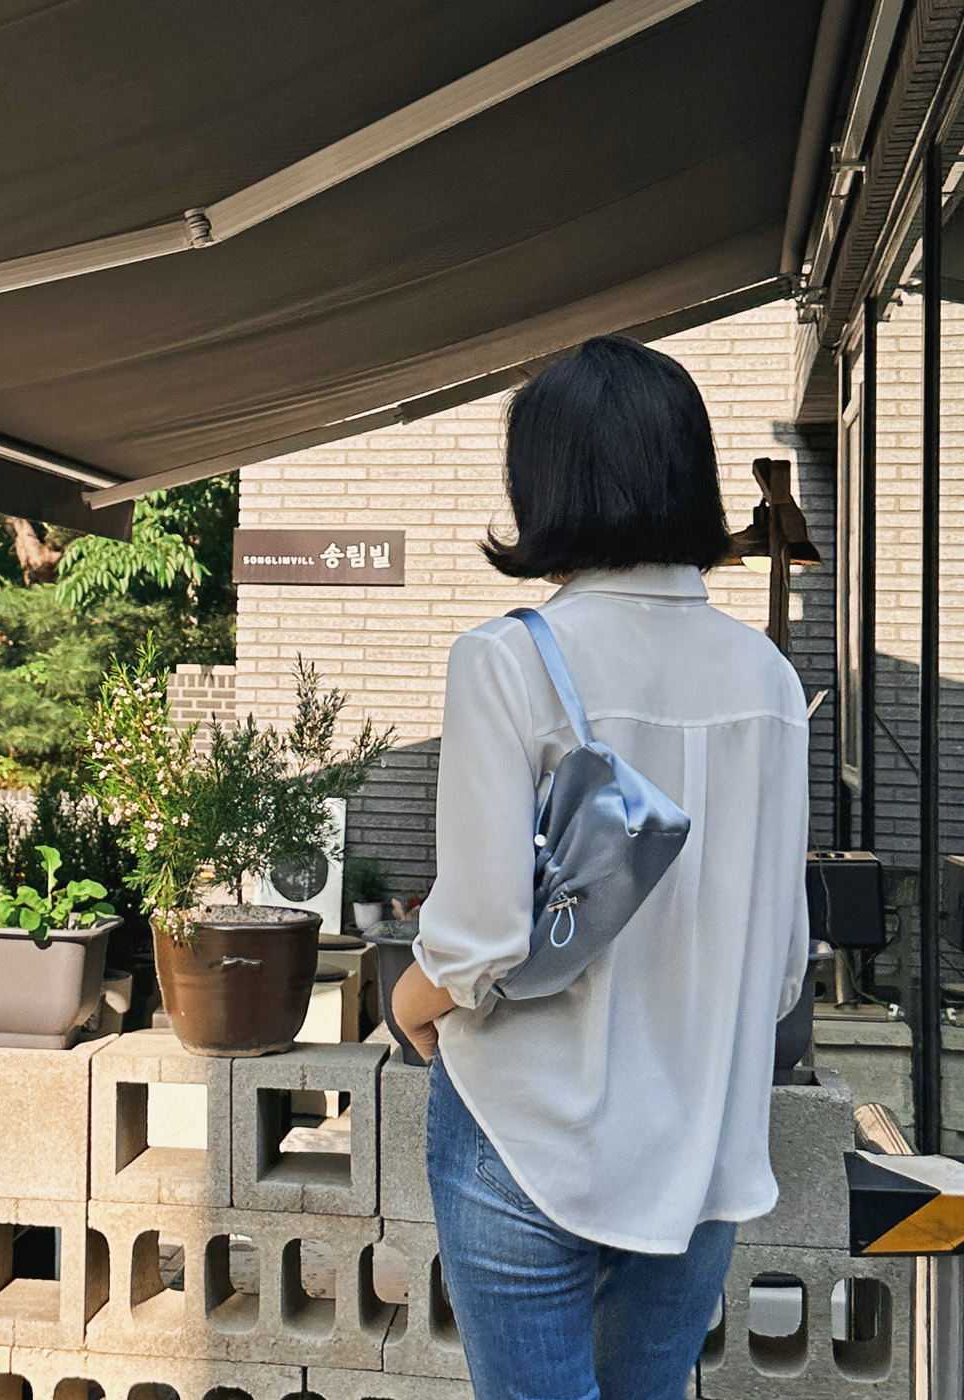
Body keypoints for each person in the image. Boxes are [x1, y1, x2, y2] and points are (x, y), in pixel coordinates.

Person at [391, 335, 810, 1400]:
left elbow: (480, 936)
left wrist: (409, 1000)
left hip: (527, 1127)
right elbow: (781, 968)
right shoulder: (767, 678)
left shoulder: (509, 657)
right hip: (703, 1141)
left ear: (545, 482)